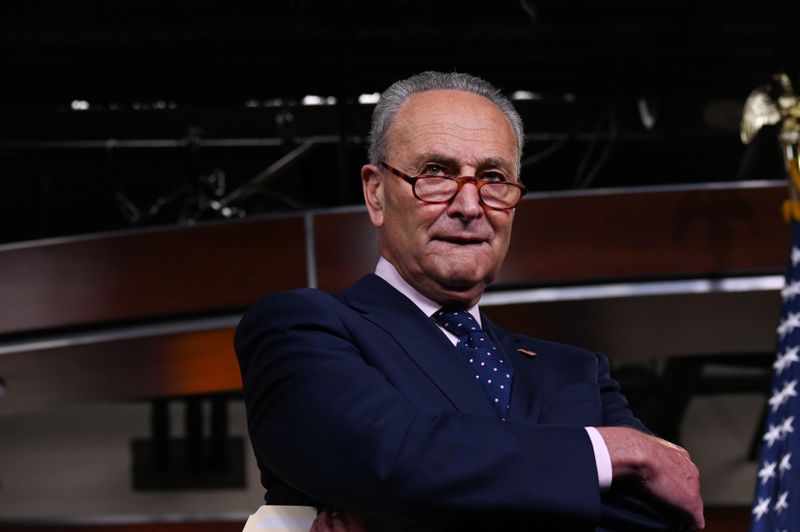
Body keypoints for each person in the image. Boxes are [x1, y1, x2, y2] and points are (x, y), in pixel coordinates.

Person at [235, 71, 703, 531]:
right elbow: (388, 458)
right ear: (376, 193)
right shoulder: (301, 329)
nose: (469, 205)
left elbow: (660, 516)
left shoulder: (577, 373)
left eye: (493, 177)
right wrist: (610, 452)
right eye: (435, 172)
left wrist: (411, 513)